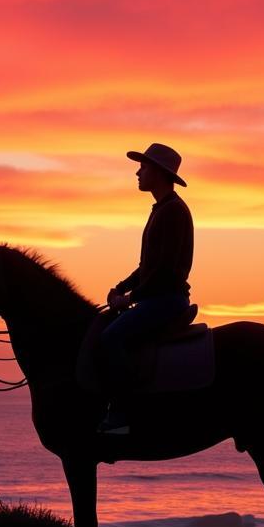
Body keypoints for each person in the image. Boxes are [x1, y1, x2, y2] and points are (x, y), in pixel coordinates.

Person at [97, 143, 194, 435]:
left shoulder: (173, 211)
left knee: (112, 337)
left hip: (167, 299)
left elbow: (164, 271)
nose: (138, 172)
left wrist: (130, 298)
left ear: (160, 173)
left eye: (144, 167)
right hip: (156, 296)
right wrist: (122, 286)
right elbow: (148, 266)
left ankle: (122, 416)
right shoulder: (162, 209)